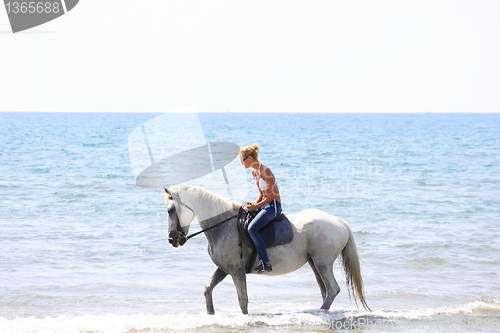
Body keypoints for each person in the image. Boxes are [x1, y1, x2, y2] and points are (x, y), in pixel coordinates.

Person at [239, 144, 282, 273]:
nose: (241, 163)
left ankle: (266, 262)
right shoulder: (254, 172)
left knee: (252, 229)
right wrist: (254, 204)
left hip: (273, 206)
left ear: (250, 158)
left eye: (242, 160)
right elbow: (262, 192)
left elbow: (274, 195)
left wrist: (257, 206)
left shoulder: (265, 170)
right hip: (263, 204)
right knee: (242, 214)